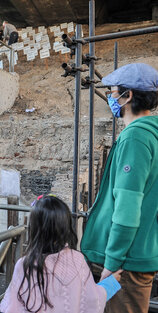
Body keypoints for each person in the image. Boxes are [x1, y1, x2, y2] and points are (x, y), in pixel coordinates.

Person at [81, 63, 158, 313]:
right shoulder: (151, 134)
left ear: (128, 95)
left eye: (114, 92)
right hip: (138, 256)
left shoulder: (136, 138)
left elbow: (127, 209)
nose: (111, 97)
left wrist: (111, 264)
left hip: (124, 265)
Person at [0, 195, 122, 313]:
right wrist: (111, 282)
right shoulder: (77, 260)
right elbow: (92, 300)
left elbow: (12, 307)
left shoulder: (24, 265)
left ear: (34, 229)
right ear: (65, 227)